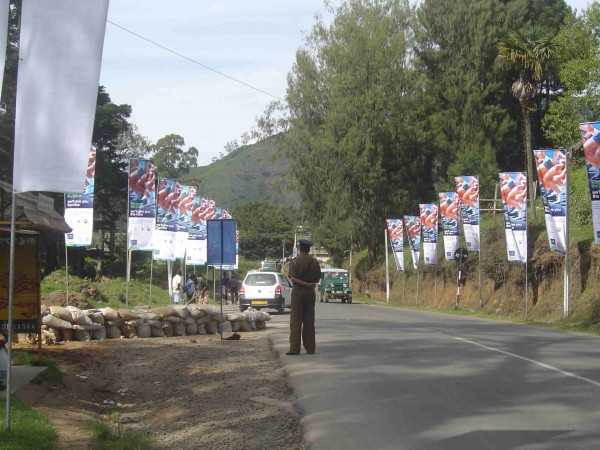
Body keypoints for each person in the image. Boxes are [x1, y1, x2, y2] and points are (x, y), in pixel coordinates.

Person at [287, 239, 322, 355]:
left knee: (296, 321)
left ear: (299, 248)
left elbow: (291, 277)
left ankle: (294, 349)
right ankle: (310, 348)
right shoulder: (315, 262)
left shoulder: (295, 262)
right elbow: (318, 278)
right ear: (309, 249)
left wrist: (302, 283)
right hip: (310, 293)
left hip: (298, 293)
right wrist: (309, 284)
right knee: (309, 321)